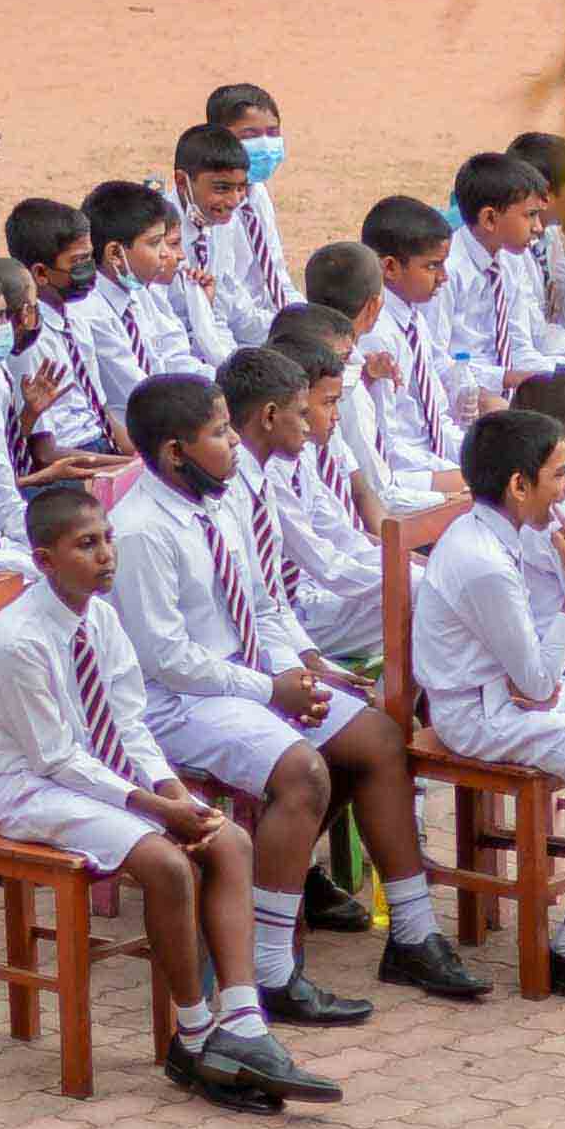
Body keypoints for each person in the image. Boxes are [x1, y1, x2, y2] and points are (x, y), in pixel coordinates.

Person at [0, 480, 341, 1111]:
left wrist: (171, 790)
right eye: (87, 545)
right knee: (166, 863)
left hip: (97, 776)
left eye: (107, 539)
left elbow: (129, 723)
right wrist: (154, 809)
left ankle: (244, 1025)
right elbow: (56, 758)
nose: (107, 554)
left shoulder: (101, 618)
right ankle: (193, 1038)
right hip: (24, 788)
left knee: (228, 840)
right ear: (45, 560)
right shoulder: (19, 639)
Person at [116, 362, 428, 1021]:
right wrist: (268, 689)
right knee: (304, 772)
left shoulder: (221, 502)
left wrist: (300, 673)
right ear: (174, 453)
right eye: (218, 433)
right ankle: (270, 970)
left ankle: (412, 932)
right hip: (176, 704)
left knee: (376, 736)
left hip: (242, 680)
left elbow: (261, 604)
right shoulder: (142, 530)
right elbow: (166, 658)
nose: (234, 443)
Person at [408, 406, 565, 999]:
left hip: (506, 696)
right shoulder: (484, 560)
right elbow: (536, 681)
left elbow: (534, 671)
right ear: (519, 485)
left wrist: (538, 677)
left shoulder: (499, 532)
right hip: (479, 717)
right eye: (558, 475)